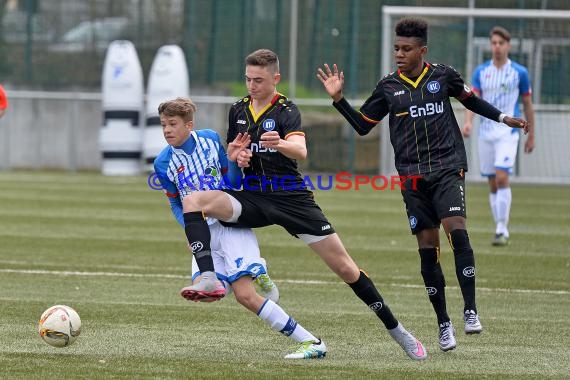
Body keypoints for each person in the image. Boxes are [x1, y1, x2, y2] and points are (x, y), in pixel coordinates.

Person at [179, 49, 427, 361]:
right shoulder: (238, 109)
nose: (252, 85)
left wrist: (280, 143)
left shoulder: (286, 110)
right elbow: (234, 154)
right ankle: (208, 276)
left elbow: (301, 150)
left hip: (291, 199)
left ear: (275, 79)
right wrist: (236, 157)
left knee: (346, 268)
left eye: (259, 80)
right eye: (248, 79)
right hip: (254, 198)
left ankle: (398, 331)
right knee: (194, 200)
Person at [316, 17, 529, 352]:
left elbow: (470, 100)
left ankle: (470, 311)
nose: (399, 53)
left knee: (456, 229)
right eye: (397, 48)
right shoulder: (388, 87)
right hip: (412, 176)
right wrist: (339, 99)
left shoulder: (443, 75)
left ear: (422, 50)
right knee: (427, 250)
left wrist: (503, 118)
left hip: (447, 167)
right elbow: (362, 126)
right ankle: (444, 324)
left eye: (406, 49)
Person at [153, 97, 324, 359]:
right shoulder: (162, 163)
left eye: (172, 124)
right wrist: (189, 228)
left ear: (189, 125)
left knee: (245, 296)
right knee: (211, 295)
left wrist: (232, 160)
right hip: (202, 231)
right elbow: (176, 203)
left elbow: (233, 182)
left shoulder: (209, 139)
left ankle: (311, 342)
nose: (167, 130)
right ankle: (255, 268)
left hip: (230, 224)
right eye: (163, 124)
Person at [463, 26, 536, 246]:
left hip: (508, 133)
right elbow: (472, 101)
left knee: (502, 177)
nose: (497, 47)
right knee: (493, 182)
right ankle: (499, 226)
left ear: (508, 46)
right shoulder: (481, 72)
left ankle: (502, 229)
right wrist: (467, 123)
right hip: (485, 133)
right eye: (493, 43)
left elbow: (527, 104)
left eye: (501, 43)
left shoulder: (519, 73)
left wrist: (531, 134)